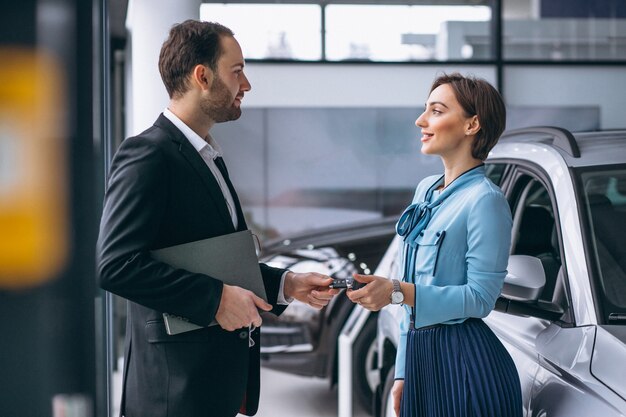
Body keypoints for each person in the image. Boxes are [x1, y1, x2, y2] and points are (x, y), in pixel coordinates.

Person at [97, 20, 338, 417]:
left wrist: (287, 284)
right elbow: (115, 266)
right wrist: (215, 301)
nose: (246, 85)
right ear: (203, 76)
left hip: (210, 388)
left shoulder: (207, 157)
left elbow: (219, 262)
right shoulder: (148, 155)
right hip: (173, 393)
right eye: (238, 71)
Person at [347, 73, 522, 417]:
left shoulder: (485, 200)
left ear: (472, 124)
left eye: (436, 111)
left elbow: (480, 298)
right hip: (420, 359)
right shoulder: (427, 190)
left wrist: (397, 291)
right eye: (425, 109)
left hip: (465, 366)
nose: (421, 120)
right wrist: (403, 370)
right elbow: (409, 305)